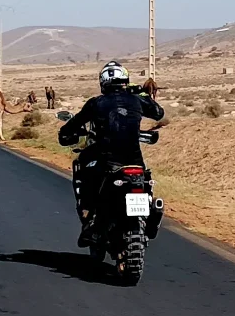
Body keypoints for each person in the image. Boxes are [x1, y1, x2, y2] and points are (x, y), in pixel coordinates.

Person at [58, 61, 165, 246]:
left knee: (84, 166)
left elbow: (73, 125)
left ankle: (90, 218)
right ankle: (153, 212)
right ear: (126, 80)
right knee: (144, 179)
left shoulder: (96, 103)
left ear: (103, 83)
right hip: (135, 160)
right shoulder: (137, 99)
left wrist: (65, 134)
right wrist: (140, 93)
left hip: (108, 160)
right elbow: (158, 112)